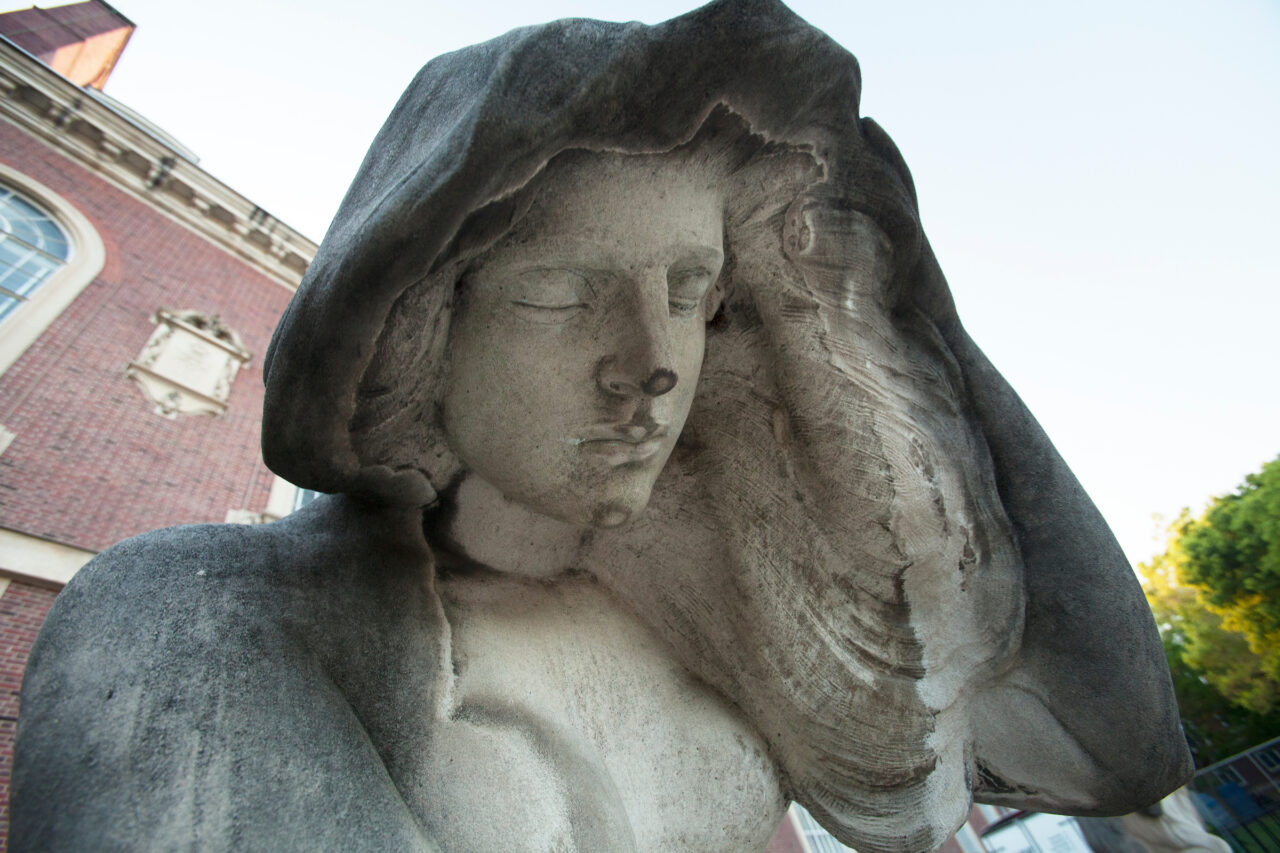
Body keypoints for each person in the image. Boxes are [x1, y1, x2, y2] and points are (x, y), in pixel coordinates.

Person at [12, 2, 1192, 851]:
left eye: (689, 292)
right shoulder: (204, 611)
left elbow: (1112, 753)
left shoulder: (732, 624)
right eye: (562, 293)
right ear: (423, 322)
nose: (651, 368)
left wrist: (860, 308)